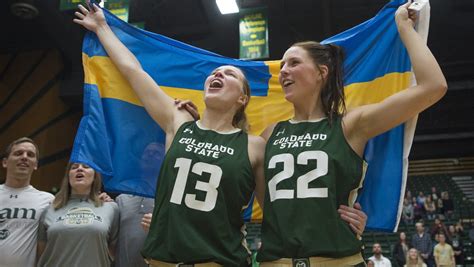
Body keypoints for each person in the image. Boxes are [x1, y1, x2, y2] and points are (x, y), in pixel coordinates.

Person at [74, 2, 367, 266]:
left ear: (242, 98)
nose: (218, 74)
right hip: (162, 260)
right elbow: (134, 71)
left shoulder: (256, 145)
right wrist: (102, 27)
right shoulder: (178, 122)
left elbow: (283, 208)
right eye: (214, 72)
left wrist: (346, 220)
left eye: (229, 74)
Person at [257, 2, 446, 266]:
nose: (283, 70)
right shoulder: (269, 134)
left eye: (294, 62)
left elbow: (433, 87)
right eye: (282, 65)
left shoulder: (351, 123)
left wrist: (404, 28)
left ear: (322, 73)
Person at [36, 162, 119, 266]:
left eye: (86, 167)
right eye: (74, 167)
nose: (79, 169)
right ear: (68, 177)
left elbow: (114, 250)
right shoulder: (49, 209)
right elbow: (41, 252)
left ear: (95, 176)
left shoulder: (111, 208)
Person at [0, 137, 54, 267]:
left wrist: (100, 200)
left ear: (35, 165)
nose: (24, 157)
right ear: (5, 162)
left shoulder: (48, 200)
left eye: (30, 155)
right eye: (18, 153)